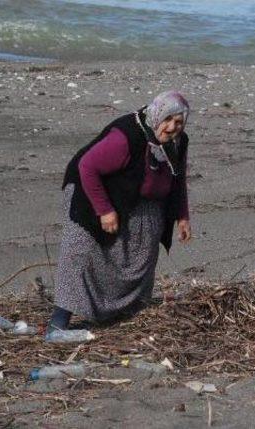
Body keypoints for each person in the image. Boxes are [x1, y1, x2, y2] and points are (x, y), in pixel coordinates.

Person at [48, 91, 192, 332]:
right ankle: (58, 324)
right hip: (89, 190)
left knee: (144, 247)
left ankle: (125, 312)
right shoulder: (126, 137)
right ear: (157, 114)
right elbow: (87, 166)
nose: (171, 127)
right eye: (167, 119)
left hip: (138, 195)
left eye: (179, 122)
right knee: (82, 250)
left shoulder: (178, 142)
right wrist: (104, 210)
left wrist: (183, 216)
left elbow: (178, 179)